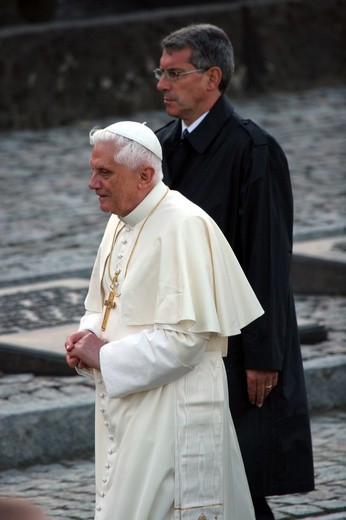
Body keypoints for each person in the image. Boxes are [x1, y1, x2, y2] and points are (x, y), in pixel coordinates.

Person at [154, 23, 315, 520]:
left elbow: (267, 261)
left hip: (235, 345)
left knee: (239, 482)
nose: (161, 84)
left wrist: (264, 356)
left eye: (174, 73)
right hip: (178, 338)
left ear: (212, 78)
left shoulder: (253, 151)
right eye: (159, 73)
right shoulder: (158, 148)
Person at [65, 121, 264, 520]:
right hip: (129, 407)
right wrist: (86, 337)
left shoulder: (183, 226)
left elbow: (185, 341)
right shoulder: (120, 220)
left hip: (173, 412)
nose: (92, 183)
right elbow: (106, 302)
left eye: (104, 172)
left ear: (145, 176)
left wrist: (104, 355)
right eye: (93, 170)